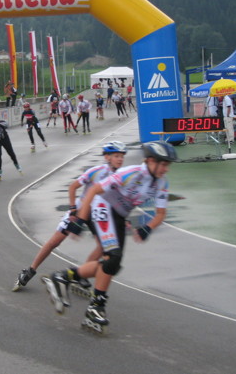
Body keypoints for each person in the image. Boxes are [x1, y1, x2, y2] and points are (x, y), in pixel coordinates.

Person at [44, 141, 177, 332]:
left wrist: (147, 228)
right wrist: (80, 220)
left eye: (168, 165)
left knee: (112, 264)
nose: (166, 169)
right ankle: (94, 304)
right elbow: (93, 190)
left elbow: (160, 214)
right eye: (163, 164)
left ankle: (67, 280)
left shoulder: (162, 183)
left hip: (120, 216)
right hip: (102, 207)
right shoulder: (130, 173)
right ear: (150, 161)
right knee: (112, 257)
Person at [12, 141, 127, 292]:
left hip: (98, 215)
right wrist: (73, 209)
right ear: (107, 157)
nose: (120, 159)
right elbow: (73, 187)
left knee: (103, 246)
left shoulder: (122, 176)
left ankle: (81, 276)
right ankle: (30, 270)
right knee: (55, 242)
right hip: (80, 210)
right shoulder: (96, 171)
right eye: (116, 156)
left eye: (122, 156)